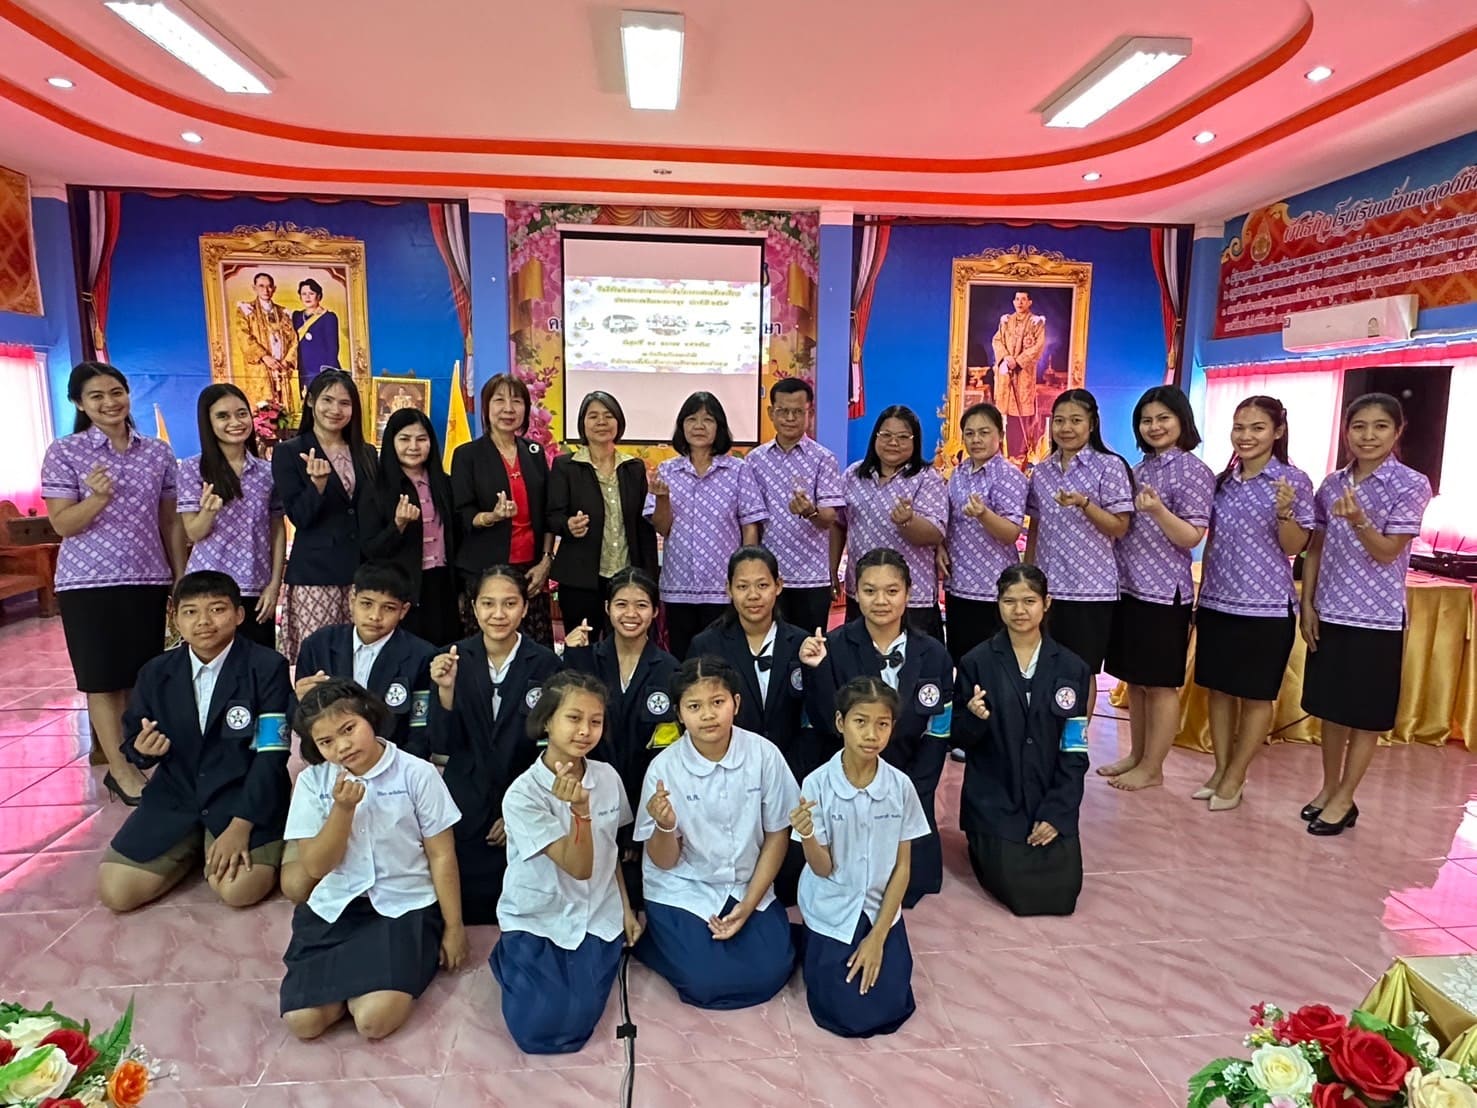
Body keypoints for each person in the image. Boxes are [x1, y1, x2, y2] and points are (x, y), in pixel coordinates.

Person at [278, 680, 467, 1042]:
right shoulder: (312, 783)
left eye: (349, 729)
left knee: (373, 1022)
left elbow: (441, 854)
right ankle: (347, 989)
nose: (342, 746)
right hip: (338, 907)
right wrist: (342, 810)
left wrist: (454, 927)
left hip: (404, 906)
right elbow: (316, 867)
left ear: (369, 716)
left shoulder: (416, 773)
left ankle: (366, 988)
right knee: (303, 1023)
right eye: (326, 742)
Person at [97, 571, 290, 912]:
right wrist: (141, 751)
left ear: (238, 614)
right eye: (190, 612)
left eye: (217, 609)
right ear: (175, 618)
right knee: (117, 893)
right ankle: (192, 844)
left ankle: (212, 841)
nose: (203, 622)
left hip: (241, 795)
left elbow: (271, 755)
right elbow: (134, 738)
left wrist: (241, 825)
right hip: (177, 795)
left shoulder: (267, 666)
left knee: (239, 891)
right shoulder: (155, 672)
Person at [42, 361, 186, 805]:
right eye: (97, 396)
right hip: (88, 584)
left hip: (147, 577)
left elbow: (169, 520)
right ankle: (120, 771)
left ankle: (139, 757)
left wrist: (180, 574)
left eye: (116, 392)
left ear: (128, 394)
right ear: (79, 403)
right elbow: (63, 524)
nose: (109, 402)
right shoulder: (65, 452)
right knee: (102, 680)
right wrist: (98, 498)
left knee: (141, 678)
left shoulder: (157, 453)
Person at [633, 657, 800, 1009]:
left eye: (717, 702)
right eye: (694, 706)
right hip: (683, 887)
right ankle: (656, 941)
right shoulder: (664, 768)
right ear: (679, 714)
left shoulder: (764, 754)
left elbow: (777, 834)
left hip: (745, 882)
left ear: (735, 703)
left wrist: (749, 904)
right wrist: (664, 825)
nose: (708, 715)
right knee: (705, 983)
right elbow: (663, 862)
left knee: (773, 971)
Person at [490, 671, 643, 1054]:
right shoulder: (523, 794)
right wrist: (580, 813)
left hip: (597, 914)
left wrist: (625, 910)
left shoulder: (607, 777)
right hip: (539, 915)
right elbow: (578, 866)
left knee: (575, 1019)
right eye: (573, 718)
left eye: (595, 721)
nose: (585, 731)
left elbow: (610, 850)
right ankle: (508, 957)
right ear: (547, 721)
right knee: (534, 1031)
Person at [1300, 393, 1432, 835]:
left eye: (1380, 426)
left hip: (1376, 619)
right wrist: (1308, 604)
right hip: (1330, 612)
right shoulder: (1332, 484)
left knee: (1364, 714)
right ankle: (1328, 788)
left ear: (1398, 431)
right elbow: (1316, 549)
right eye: (1359, 426)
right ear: (1346, 431)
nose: (1368, 436)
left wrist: (1359, 520)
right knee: (1331, 709)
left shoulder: (1410, 484)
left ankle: (1346, 797)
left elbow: (1388, 551)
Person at [801, 548, 952, 907]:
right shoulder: (833, 647)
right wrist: (815, 671)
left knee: (912, 881)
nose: (881, 601)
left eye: (891, 591)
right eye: (869, 591)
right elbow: (824, 724)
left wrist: (912, 789)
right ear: (855, 591)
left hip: (910, 780)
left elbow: (939, 731)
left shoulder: (933, 653)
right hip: (849, 782)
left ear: (909, 592)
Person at [1192, 396, 1313, 808]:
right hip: (1216, 602)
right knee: (1219, 691)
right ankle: (1221, 769)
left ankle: (1236, 775)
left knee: (1257, 696)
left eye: (1257, 428)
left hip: (1267, 608)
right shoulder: (1222, 483)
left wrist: (1284, 512)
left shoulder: (1293, 481)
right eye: (1239, 427)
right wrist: (1202, 596)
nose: (1246, 436)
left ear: (1278, 431)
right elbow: (1212, 544)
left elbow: (1294, 547)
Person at [792, 677, 929, 1039]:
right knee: (845, 1011)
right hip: (832, 907)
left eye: (882, 724)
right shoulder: (817, 784)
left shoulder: (900, 786)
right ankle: (808, 941)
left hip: (879, 908)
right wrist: (807, 835)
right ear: (840, 722)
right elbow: (822, 868)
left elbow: (903, 868)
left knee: (891, 1003)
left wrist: (878, 936)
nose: (871, 734)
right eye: (860, 722)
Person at [953, 564, 1090, 917]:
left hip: (1048, 795)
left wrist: (1058, 813)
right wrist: (973, 717)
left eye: (1029, 601)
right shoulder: (976, 662)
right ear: (997, 604)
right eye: (1009, 601)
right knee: (1020, 891)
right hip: (996, 800)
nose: (1019, 610)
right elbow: (959, 738)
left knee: (1062, 893)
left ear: (1047, 603)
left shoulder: (1072, 668)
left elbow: (1075, 750)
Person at [429, 565, 562, 923]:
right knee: (467, 909)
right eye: (488, 603)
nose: (498, 614)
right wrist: (445, 691)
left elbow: (550, 747)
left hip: (525, 799)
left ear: (525, 607)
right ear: (473, 608)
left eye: (509, 603)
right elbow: (442, 744)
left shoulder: (546, 664)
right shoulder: (450, 658)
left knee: (523, 909)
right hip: (465, 804)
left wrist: (518, 808)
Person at [1101, 386, 1215, 792]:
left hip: (1165, 593)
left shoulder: (1194, 471)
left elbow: (1191, 536)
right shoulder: (1139, 469)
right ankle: (1137, 755)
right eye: (1146, 420)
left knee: (1160, 685)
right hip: (1128, 587)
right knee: (1136, 681)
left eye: (1163, 418)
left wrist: (1158, 510)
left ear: (1182, 420)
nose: (1154, 427)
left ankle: (1153, 767)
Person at [690, 546, 815, 905]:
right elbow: (696, 715)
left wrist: (793, 770)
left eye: (762, 585)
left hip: (790, 769)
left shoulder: (801, 642)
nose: (753, 595)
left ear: (779, 586)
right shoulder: (707, 644)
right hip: (726, 772)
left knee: (788, 885)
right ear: (728, 589)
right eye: (742, 586)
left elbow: (817, 717)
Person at [1024, 388, 1133, 719]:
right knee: (1043, 667)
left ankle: (1076, 739)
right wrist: (1027, 576)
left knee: (1080, 670)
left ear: (1092, 424)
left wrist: (1085, 504)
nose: (1066, 428)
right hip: (1047, 589)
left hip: (1090, 591)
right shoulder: (1042, 471)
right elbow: (1035, 527)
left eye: (1075, 420)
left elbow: (1120, 526)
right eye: (1059, 421)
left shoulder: (1109, 466)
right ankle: (1044, 735)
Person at [646, 391, 763, 659]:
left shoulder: (738, 470)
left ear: (719, 427)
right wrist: (662, 499)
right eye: (692, 419)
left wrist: (745, 576)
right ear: (682, 426)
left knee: (723, 659)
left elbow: (750, 526)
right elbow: (662, 528)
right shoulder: (667, 470)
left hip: (723, 587)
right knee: (682, 659)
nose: (699, 426)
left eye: (708, 420)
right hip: (679, 586)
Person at [273, 370, 377, 663]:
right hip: (316, 575)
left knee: (360, 657)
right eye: (327, 400)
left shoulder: (366, 452)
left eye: (344, 403)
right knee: (320, 658)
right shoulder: (289, 452)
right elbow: (299, 517)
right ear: (311, 402)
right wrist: (316, 486)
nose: (335, 409)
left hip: (360, 572)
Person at [560, 567, 680, 816]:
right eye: (621, 604)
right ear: (607, 607)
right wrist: (573, 657)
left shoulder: (670, 669)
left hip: (649, 795)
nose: (631, 614)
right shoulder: (587, 659)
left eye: (641, 605)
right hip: (591, 794)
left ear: (655, 611)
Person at [292, 562, 436, 764]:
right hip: (332, 763)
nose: (375, 616)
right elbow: (301, 723)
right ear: (352, 600)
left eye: (388, 608)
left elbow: (420, 733)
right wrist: (301, 701)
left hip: (396, 764)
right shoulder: (318, 645)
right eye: (366, 604)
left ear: (403, 611)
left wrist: (394, 770)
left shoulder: (422, 656)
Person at [178, 383, 285, 650]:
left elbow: (277, 529)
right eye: (223, 416)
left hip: (256, 587)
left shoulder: (266, 472)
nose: (235, 422)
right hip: (209, 588)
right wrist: (208, 512)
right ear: (208, 422)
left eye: (241, 414)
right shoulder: (193, 469)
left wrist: (274, 584)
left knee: (259, 663)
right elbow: (193, 532)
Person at [451, 374, 554, 644]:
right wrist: (492, 516)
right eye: (499, 400)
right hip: (485, 569)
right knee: (486, 647)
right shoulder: (467, 455)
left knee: (534, 650)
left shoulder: (534, 452)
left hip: (530, 571)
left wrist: (545, 561)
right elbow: (462, 513)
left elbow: (548, 513)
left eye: (516, 401)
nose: (508, 409)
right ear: (486, 407)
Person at [547, 391, 657, 639]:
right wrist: (568, 524)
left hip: (626, 577)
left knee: (626, 644)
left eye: (608, 416)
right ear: (582, 423)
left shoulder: (633, 468)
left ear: (618, 422)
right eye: (593, 416)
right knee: (582, 645)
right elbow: (553, 516)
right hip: (580, 578)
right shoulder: (566, 466)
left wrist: (649, 575)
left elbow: (643, 526)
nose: (601, 422)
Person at [737, 378, 845, 632]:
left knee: (809, 647)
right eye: (782, 411)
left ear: (810, 413)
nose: (789, 418)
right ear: (770, 413)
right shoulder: (754, 461)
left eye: (797, 411)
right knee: (767, 645)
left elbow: (829, 518)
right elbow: (750, 522)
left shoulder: (823, 459)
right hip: (767, 577)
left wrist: (810, 511)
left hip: (812, 578)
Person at [835, 406, 948, 639]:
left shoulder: (927, 478)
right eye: (886, 435)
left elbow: (935, 533)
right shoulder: (853, 475)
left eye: (903, 437)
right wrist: (832, 569)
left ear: (915, 441)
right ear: (875, 437)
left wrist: (908, 521)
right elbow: (838, 524)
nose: (893, 442)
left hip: (912, 598)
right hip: (863, 591)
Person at [360, 408, 460, 646]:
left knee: (444, 652)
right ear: (391, 442)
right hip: (402, 588)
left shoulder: (444, 483)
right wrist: (398, 525)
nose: (413, 447)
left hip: (443, 584)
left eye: (421, 439)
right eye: (404, 439)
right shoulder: (376, 489)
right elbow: (369, 550)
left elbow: (458, 535)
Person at [939, 401, 1028, 666]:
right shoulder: (958, 474)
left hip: (993, 588)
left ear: (1000, 435)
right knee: (961, 661)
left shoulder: (1009, 476)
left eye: (984, 432)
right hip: (958, 585)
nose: (976, 439)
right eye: (969, 433)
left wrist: (983, 514)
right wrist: (940, 546)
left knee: (993, 667)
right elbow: (948, 520)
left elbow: (1011, 533)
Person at [991, 290, 1047, 461]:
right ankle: (1000, 457)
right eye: (1017, 299)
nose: (1019, 302)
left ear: (1030, 302)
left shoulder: (1036, 322)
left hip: (1023, 375)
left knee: (1019, 418)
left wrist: (1018, 361)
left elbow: (1038, 347)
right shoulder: (1006, 321)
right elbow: (997, 340)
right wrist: (1006, 357)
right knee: (1002, 417)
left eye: (1023, 299)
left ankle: (1019, 458)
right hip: (1006, 374)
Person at [235, 272, 298, 409]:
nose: (266, 290)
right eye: (261, 286)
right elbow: (243, 337)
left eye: (269, 286)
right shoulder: (246, 310)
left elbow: (293, 340)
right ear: (254, 288)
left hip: (281, 368)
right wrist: (265, 357)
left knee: (284, 410)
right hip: (260, 369)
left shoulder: (283, 313)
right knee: (263, 410)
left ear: (274, 289)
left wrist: (286, 361)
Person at [292, 278, 341, 398]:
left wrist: (329, 373)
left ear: (318, 296)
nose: (307, 297)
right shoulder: (296, 316)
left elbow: (332, 348)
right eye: (304, 294)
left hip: (320, 368)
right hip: (302, 368)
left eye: (311, 293)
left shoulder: (328, 317)